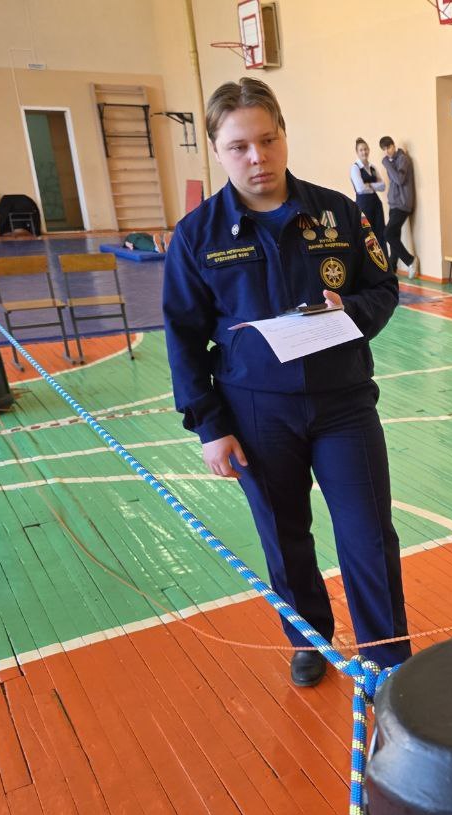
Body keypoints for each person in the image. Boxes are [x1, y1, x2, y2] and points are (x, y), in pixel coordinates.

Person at [163, 78, 410, 689]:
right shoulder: (197, 236)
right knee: (284, 534)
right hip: (254, 411)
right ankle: (309, 638)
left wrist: (352, 311)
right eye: (239, 146)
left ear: (283, 135)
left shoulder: (340, 213)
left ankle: (388, 658)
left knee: (368, 534)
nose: (258, 158)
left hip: (343, 405)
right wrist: (210, 427)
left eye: (268, 140)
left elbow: (383, 288)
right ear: (218, 151)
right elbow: (184, 335)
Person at [379, 135, 417, 279]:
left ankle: (410, 260)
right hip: (394, 203)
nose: (387, 151)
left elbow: (399, 180)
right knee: (394, 235)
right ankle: (392, 268)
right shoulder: (392, 161)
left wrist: (387, 164)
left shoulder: (403, 159)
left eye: (388, 147)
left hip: (403, 204)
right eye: (384, 149)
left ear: (393, 146)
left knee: (388, 233)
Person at [350, 137, 387, 252]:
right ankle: (370, 268)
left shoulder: (373, 167)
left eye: (365, 149)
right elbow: (360, 188)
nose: (364, 152)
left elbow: (383, 186)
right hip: (364, 205)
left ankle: (385, 266)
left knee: (381, 233)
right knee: (367, 235)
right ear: (357, 152)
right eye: (361, 150)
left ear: (369, 150)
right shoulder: (355, 168)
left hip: (376, 204)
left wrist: (369, 185)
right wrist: (374, 185)